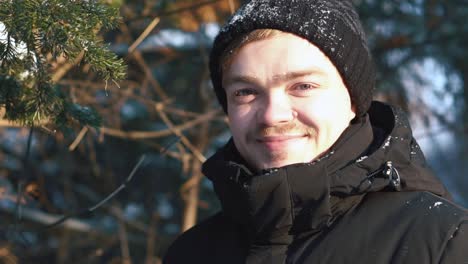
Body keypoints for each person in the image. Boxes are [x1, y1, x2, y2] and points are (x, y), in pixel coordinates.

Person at [164, 0, 468, 263]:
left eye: (303, 86)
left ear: (353, 98)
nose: (272, 114)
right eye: (246, 92)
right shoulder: (192, 253)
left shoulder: (440, 242)